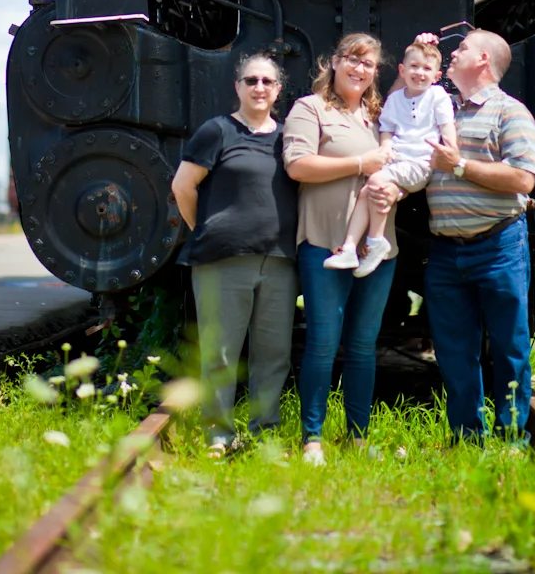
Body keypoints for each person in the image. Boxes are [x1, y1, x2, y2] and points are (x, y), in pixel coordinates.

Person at [171, 52, 298, 456]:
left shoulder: (288, 138)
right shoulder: (217, 131)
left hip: (279, 259)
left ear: (278, 90)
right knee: (221, 354)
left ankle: (265, 434)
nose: (259, 88)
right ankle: (218, 436)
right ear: (237, 87)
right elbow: (182, 187)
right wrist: (205, 230)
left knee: (273, 355)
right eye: (250, 80)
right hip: (222, 260)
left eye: (267, 81)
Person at [283, 33, 398, 465]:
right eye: (352, 59)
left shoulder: (380, 118)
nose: (360, 69)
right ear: (334, 63)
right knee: (323, 343)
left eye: (368, 64)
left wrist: (395, 192)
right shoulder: (309, 109)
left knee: (364, 345)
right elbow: (297, 166)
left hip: (377, 251)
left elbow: (401, 167)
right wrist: (359, 164)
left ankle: (358, 436)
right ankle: (312, 437)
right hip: (324, 244)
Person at [418, 28, 535, 443]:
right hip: (447, 251)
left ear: (484, 60)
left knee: (509, 349)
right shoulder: (442, 108)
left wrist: (460, 166)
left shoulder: (511, 113)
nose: (453, 53)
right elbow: (404, 99)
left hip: (497, 246)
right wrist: (421, 53)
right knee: (453, 352)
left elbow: (523, 178)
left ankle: (510, 438)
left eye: (462, 48)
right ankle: (467, 437)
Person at [324, 40, 457, 278]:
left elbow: (447, 127)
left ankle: (375, 241)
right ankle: (350, 247)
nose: (419, 73)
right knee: (368, 191)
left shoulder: (437, 95)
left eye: (427, 69)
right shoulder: (396, 99)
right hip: (397, 160)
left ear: (437, 76)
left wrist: (451, 150)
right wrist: (385, 147)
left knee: (374, 184)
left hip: (420, 163)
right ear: (402, 71)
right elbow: (387, 127)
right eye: (414, 67)